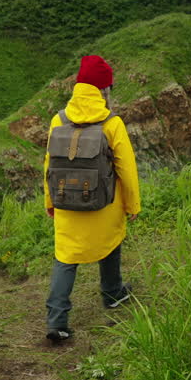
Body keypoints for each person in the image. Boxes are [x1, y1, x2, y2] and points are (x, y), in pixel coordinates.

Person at [43, 55, 140, 343]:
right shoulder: (112, 123)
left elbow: (49, 166)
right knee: (110, 242)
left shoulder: (58, 120)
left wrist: (49, 201)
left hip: (66, 203)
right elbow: (127, 169)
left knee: (65, 258)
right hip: (104, 204)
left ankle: (56, 321)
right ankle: (112, 294)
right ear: (103, 90)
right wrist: (132, 204)